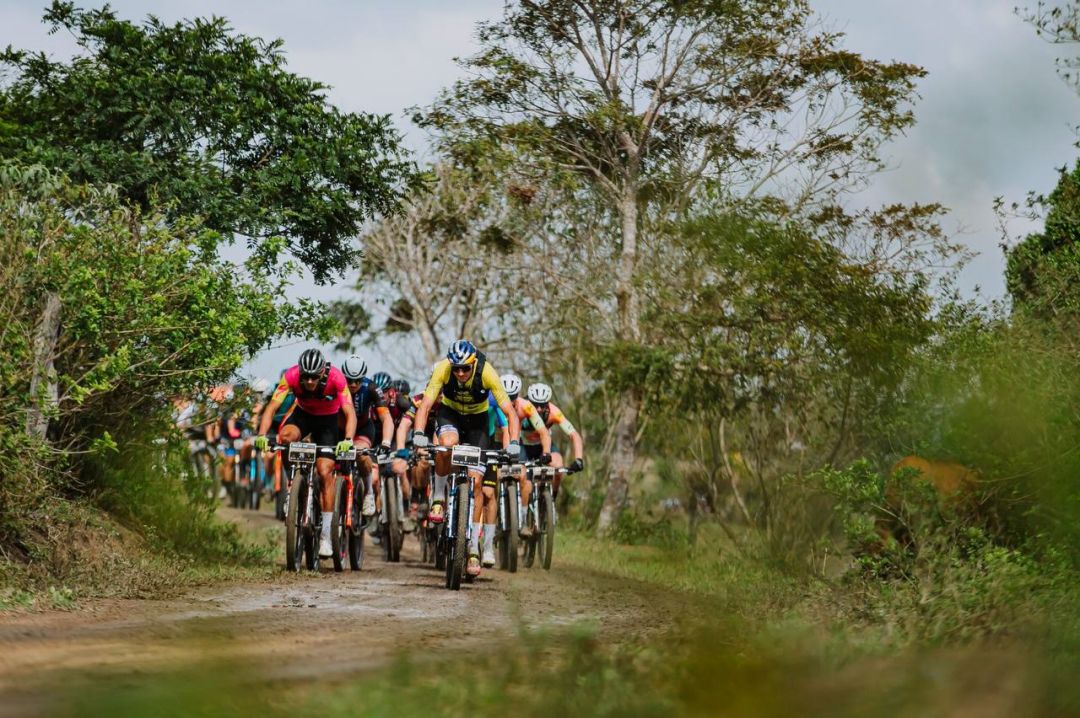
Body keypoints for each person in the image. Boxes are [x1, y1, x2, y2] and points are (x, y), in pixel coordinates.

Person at [411, 340, 520, 577]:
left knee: (477, 482)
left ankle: (472, 550)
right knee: (445, 446)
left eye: (465, 369)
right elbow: (426, 405)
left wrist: (513, 443)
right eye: (456, 368)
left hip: (477, 423)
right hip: (450, 415)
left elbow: (510, 412)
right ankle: (439, 498)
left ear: (473, 364)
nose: (460, 373)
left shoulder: (487, 371)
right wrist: (419, 433)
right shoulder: (443, 368)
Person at [255, 348, 356, 558]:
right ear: (300, 373)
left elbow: (349, 412)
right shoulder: (291, 376)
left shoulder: (336, 378)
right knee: (285, 439)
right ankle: (292, 487)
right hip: (303, 415)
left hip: (328, 422)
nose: (309, 382)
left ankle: (326, 535)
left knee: (325, 471)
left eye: (314, 377)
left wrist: (347, 440)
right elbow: (272, 406)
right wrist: (262, 434)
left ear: (322, 373)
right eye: (306, 377)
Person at [499, 373, 553, 536]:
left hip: (515, 443)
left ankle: (521, 519)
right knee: (493, 479)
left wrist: (547, 453)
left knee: (523, 476)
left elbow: (544, 432)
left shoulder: (526, 407)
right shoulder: (493, 404)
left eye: (513, 396)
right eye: (506, 396)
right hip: (496, 441)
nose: (510, 400)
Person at [339, 356, 393, 517]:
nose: (353, 384)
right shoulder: (337, 385)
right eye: (349, 380)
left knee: (362, 455)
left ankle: (369, 492)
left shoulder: (371, 387)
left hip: (363, 428)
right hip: (339, 428)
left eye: (357, 380)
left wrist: (386, 442)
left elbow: (386, 418)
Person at [525, 383, 585, 498]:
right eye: (535, 405)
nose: (538, 409)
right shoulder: (522, 407)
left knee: (558, 466)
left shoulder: (554, 412)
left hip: (544, 446)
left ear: (547, 403)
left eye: (542, 405)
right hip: (524, 446)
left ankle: (552, 498)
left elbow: (574, 435)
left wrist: (578, 459)